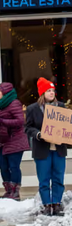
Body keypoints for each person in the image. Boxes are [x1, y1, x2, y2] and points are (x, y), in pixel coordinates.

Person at [26, 77, 67, 216]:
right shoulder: (33, 109)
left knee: (58, 178)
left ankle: (56, 203)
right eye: (48, 90)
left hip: (59, 148)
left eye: (53, 90)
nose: (51, 93)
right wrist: (38, 134)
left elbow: (68, 124)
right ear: (42, 93)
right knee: (44, 179)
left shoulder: (61, 107)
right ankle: (46, 205)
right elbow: (28, 127)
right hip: (42, 149)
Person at [0, 82, 30, 200]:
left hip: (15, 140)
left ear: (5, 92)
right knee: (3, 166)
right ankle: (8, 190)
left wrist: (2, 121)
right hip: (4, 140)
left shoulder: (14, 103)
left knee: (13, 166)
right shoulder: (0, 104)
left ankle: (15, 192)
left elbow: (20, 121)